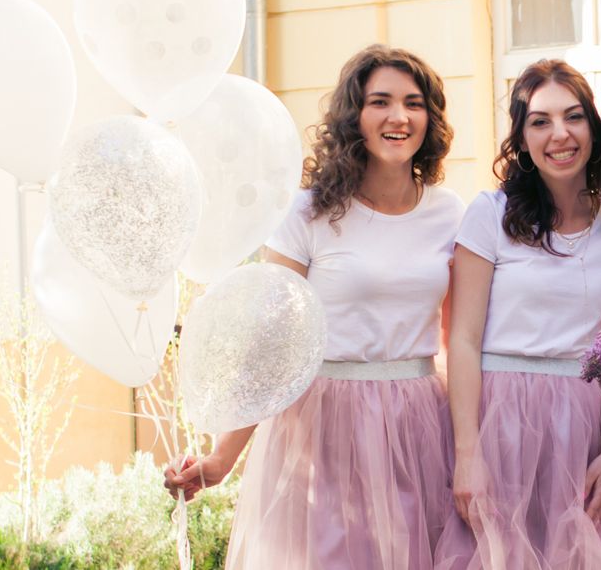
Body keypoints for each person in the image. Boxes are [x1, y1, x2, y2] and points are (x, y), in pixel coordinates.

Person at [163, 44, 464, 569]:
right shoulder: (308, 212)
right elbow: (269, 339)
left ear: (430, 119)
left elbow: (458, 338)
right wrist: (222, 458)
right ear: (355, 117)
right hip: (324, 424)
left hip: (420, 425)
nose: (399, 117)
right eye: (381, 102)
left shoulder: (451, 213)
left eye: (414, 103)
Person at [437, 59, 601, 570]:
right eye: (540, 121)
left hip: (580, 422)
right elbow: (462, 338)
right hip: (498, 418)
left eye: (573, 117)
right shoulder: (490, 214)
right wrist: (468, 453)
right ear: (522, 137)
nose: (560, 134)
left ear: (593, 128)